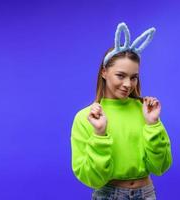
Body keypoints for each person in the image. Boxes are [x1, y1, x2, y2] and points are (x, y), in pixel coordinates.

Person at [70, 22, 172, 200]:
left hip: (147, 193)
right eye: (120, 75)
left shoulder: (145, 112)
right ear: (104, 72)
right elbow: (92, 179)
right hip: (108, 195)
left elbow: (160, 167)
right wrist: (100, 134)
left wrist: (152, 125)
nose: (128, 84)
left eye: (134, 77)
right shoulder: (86, 118)